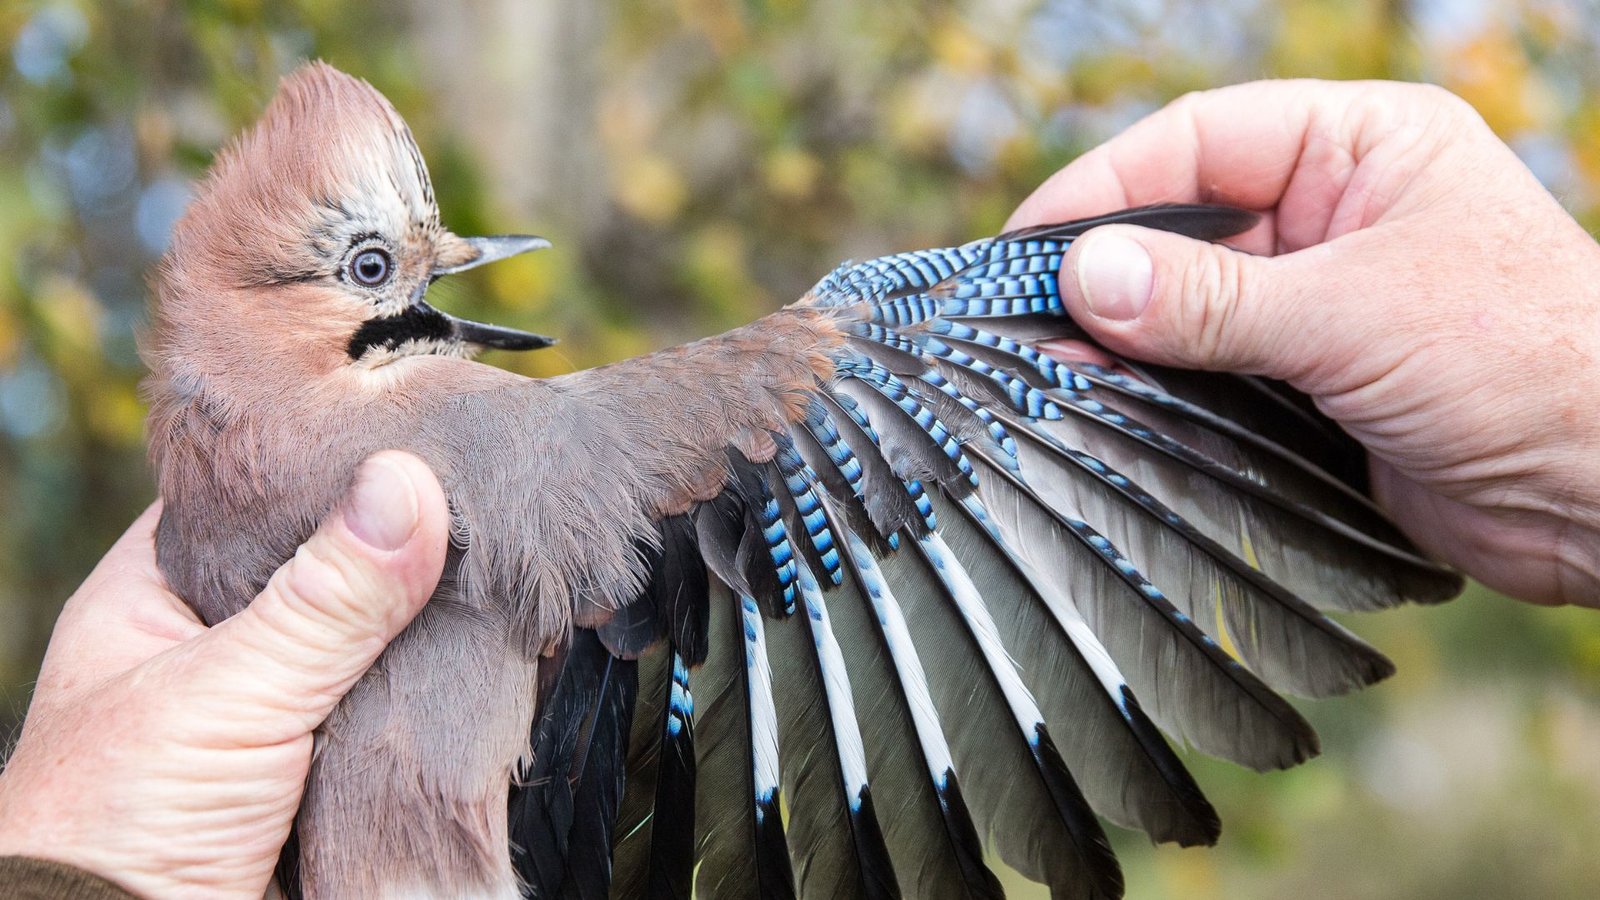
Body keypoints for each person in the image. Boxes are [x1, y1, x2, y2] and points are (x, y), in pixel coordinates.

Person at [2, 78, 1597, 898]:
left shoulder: (182, 566)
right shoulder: (493, 451)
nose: (448, 278)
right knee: (906, 319)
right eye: (375, 267)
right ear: (262, 313)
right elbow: (949, 383)